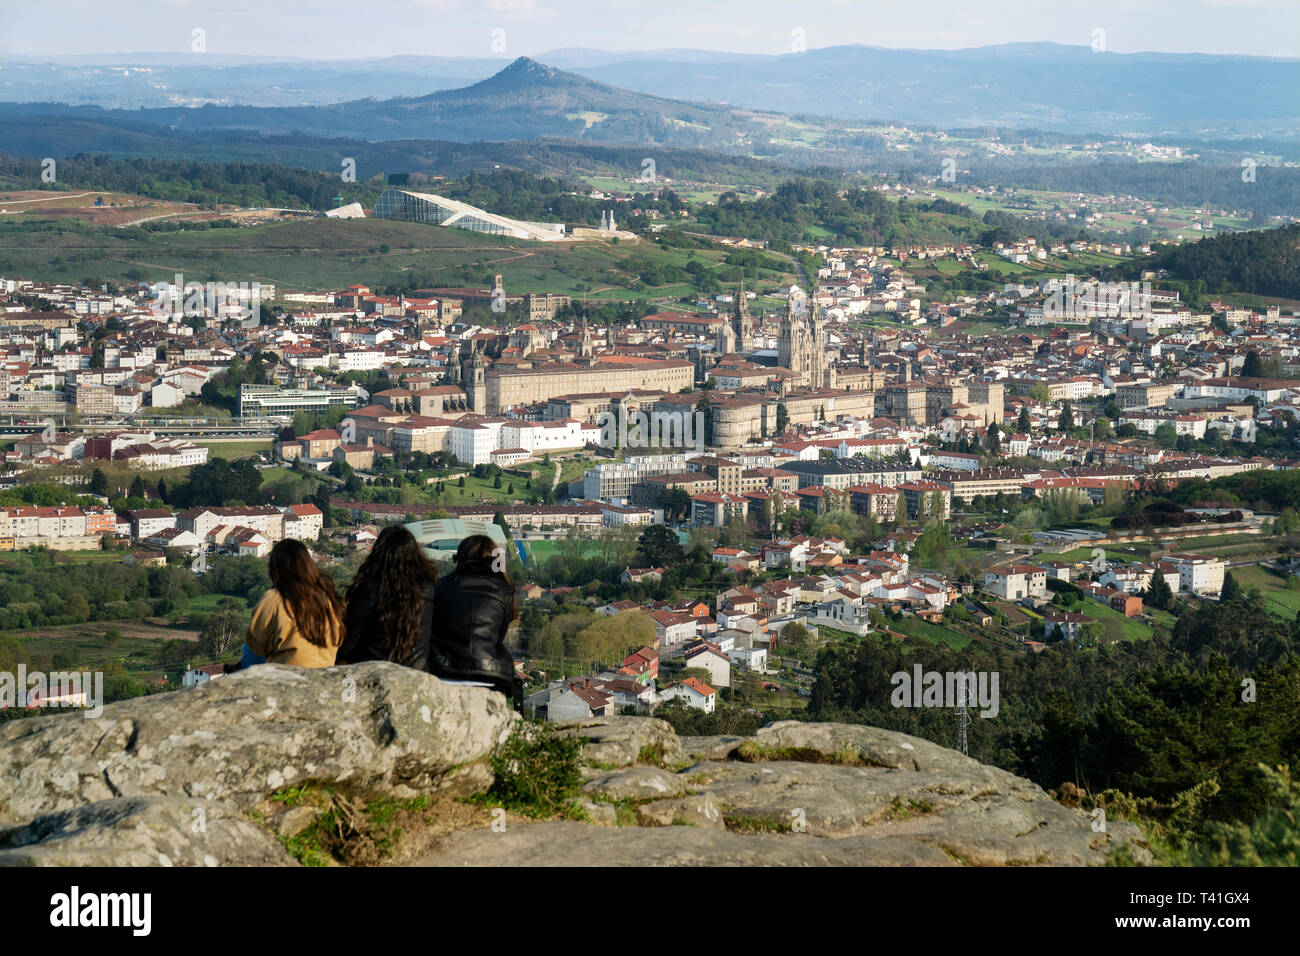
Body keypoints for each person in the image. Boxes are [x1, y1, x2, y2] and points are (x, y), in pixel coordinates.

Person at [429, 534, 521, 707]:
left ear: (461, 558)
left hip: (445, 671)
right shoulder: (505, 590)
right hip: (490, 673)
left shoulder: (440, 586)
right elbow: (498, 637)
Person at [338, 524, 437, 668]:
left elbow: (352, 635)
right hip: (417, 669)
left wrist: (337, 656)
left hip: (372, 668)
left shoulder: (369, 588)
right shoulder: (429, 588)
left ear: (379, 552)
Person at [243, 538, 345, 667]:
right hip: (325, 671)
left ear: (274, 568)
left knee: (249, 650)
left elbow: (256, 645)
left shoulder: (274, 599)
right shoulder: (328, 598)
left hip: (287, 676)